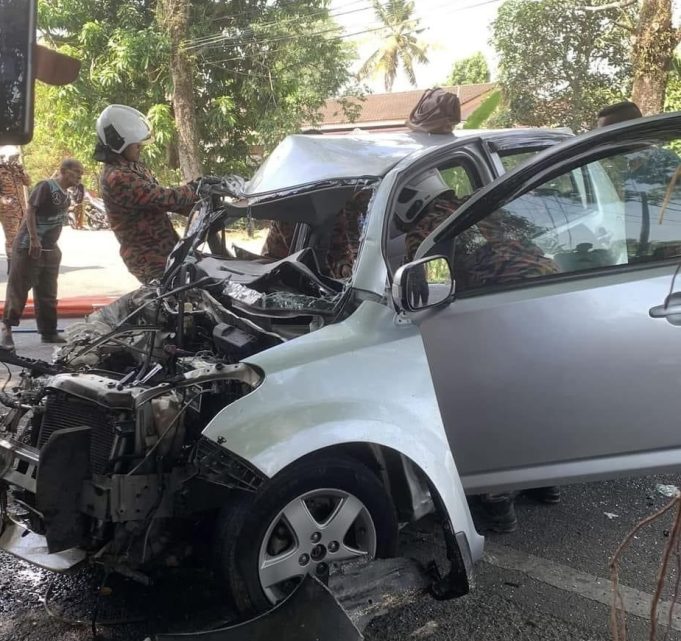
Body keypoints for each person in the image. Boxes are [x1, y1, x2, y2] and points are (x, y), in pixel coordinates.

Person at [94, 104, 199, 284]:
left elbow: (163, 204)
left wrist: (199, 205)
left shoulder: (133, 167)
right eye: (135, 143)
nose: (140, 147)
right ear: (119, 142)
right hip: (149, 258)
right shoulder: (117, 177)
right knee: (174, 303)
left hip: (165, 250)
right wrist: (196, 188)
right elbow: (162, 198)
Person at [0, 158, 84, 349]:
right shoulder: (46, 186)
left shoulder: (65, 194)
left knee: (47, 292)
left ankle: (48, 332)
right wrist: (33, 239)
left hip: (50, 248)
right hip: (29, 247)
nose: (79, 176)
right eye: (76, 172)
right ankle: (7, 330)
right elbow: (31, 211)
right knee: (19, 289)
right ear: (64, 170)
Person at [0, 153, 31, 272]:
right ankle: (12, 267)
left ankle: (22, 265)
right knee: (12, 239)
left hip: (22, 210)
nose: (9, 160)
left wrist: (21, 169)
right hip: (8, 212)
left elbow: (28, 182)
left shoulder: (15, 171)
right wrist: (2, 199)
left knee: (23, 238)